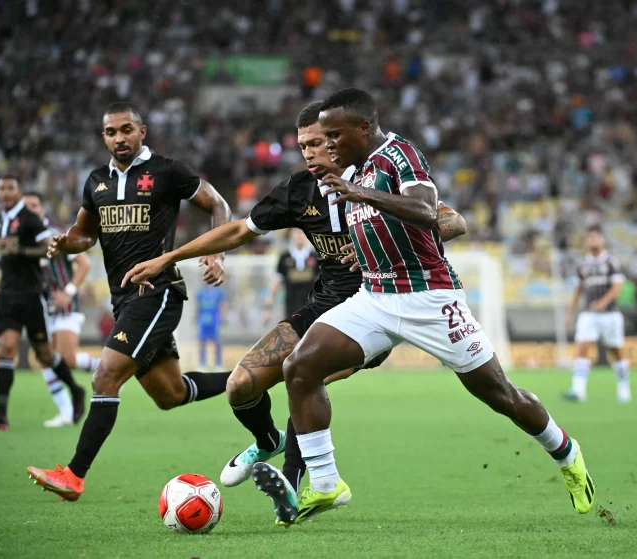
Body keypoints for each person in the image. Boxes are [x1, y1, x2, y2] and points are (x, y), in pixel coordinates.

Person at [257, 88, 595, 525]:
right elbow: (386, 230)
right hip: (375, 297)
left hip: (430, 298)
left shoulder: (401, 156)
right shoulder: (354, 168)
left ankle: (566, 452)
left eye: (336, 135)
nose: (331, 144)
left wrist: (360, 194)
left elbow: (424, 209)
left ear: (364, 128)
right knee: (299, 367)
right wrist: (361, 251)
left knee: (500, 394)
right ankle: (325, 485)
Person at [121, 100, 468, 525]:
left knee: (304, 374)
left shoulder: (379, 176)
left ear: (340, 140)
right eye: (302, 145)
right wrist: (167, 258)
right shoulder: (299, 191)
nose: (309, 152)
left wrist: (386, 243)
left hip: (375, 311)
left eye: (318, 143)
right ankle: (267, 440)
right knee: (240, 386)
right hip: (320, 306)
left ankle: (291, 489)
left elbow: (451, 221)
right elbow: (237, 231)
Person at [27, 102, 233, 501]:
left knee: (105, 377)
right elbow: (85, 235)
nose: (119, 138)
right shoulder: (96, 181)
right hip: (125, 299)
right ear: (103, 136)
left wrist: (216, 252)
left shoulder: (168, 171)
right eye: (110, 132)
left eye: (126, 130)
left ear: (142, 132)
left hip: (157, 292)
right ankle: (253, 376)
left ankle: (74, 475)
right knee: (169, 394)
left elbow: (218, 205)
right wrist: (65, 242)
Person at [0, 174, 85, 431]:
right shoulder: (2, 218)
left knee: (45, 354)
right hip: (7, 295)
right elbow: (9, 255)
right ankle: (1, 414)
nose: (4, 192)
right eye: (1, 188)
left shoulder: (29, 219)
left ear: (17, 192)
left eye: (10, 188)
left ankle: (76, 390)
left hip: (30, 296)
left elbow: (51, 248)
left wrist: (21, 251)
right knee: (6, 348)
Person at [23, 192, 100, 428]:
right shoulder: (24, 241)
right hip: (43, 308)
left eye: (34, 205)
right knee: (45, 359)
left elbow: (84, 264)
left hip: (66, 306)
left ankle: (105, 366)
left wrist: (68, 291)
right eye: (26, 208)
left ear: (42, 209)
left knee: (66, 358)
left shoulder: (58, 236)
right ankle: (66, 413)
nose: (31, 210)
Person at [565, 225, 631, 403]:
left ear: (602, 240)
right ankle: (578, 391)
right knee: (583, 347)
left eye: (596, 237)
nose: (592, 241)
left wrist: (603, 302)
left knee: (615, 351)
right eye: (590, 238)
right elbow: (577, 291)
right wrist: (569, 313)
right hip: (589, 314)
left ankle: (623, 386)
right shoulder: (583, 265)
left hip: (610, 314)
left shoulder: (611, 262)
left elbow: (617, 287)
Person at [265, 229, 318, 322]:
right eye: (296, 233)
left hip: (311, 306)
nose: (299, 236)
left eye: (301, 233)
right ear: (291, 235)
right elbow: (276, 283)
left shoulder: (315, 256)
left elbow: (322, 281)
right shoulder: (284, 257)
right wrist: (268, 308)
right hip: (291, 305)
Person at [195, 284, 225, 370]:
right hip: (203, 321)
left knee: (217, 342)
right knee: (202, 342)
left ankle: (218, 364)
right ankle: (202, 364)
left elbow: (222, 305)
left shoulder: (218, 292)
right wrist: (197, 317)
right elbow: (198, 306)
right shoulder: (200, 292)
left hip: (214, 321)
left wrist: (222, 316)